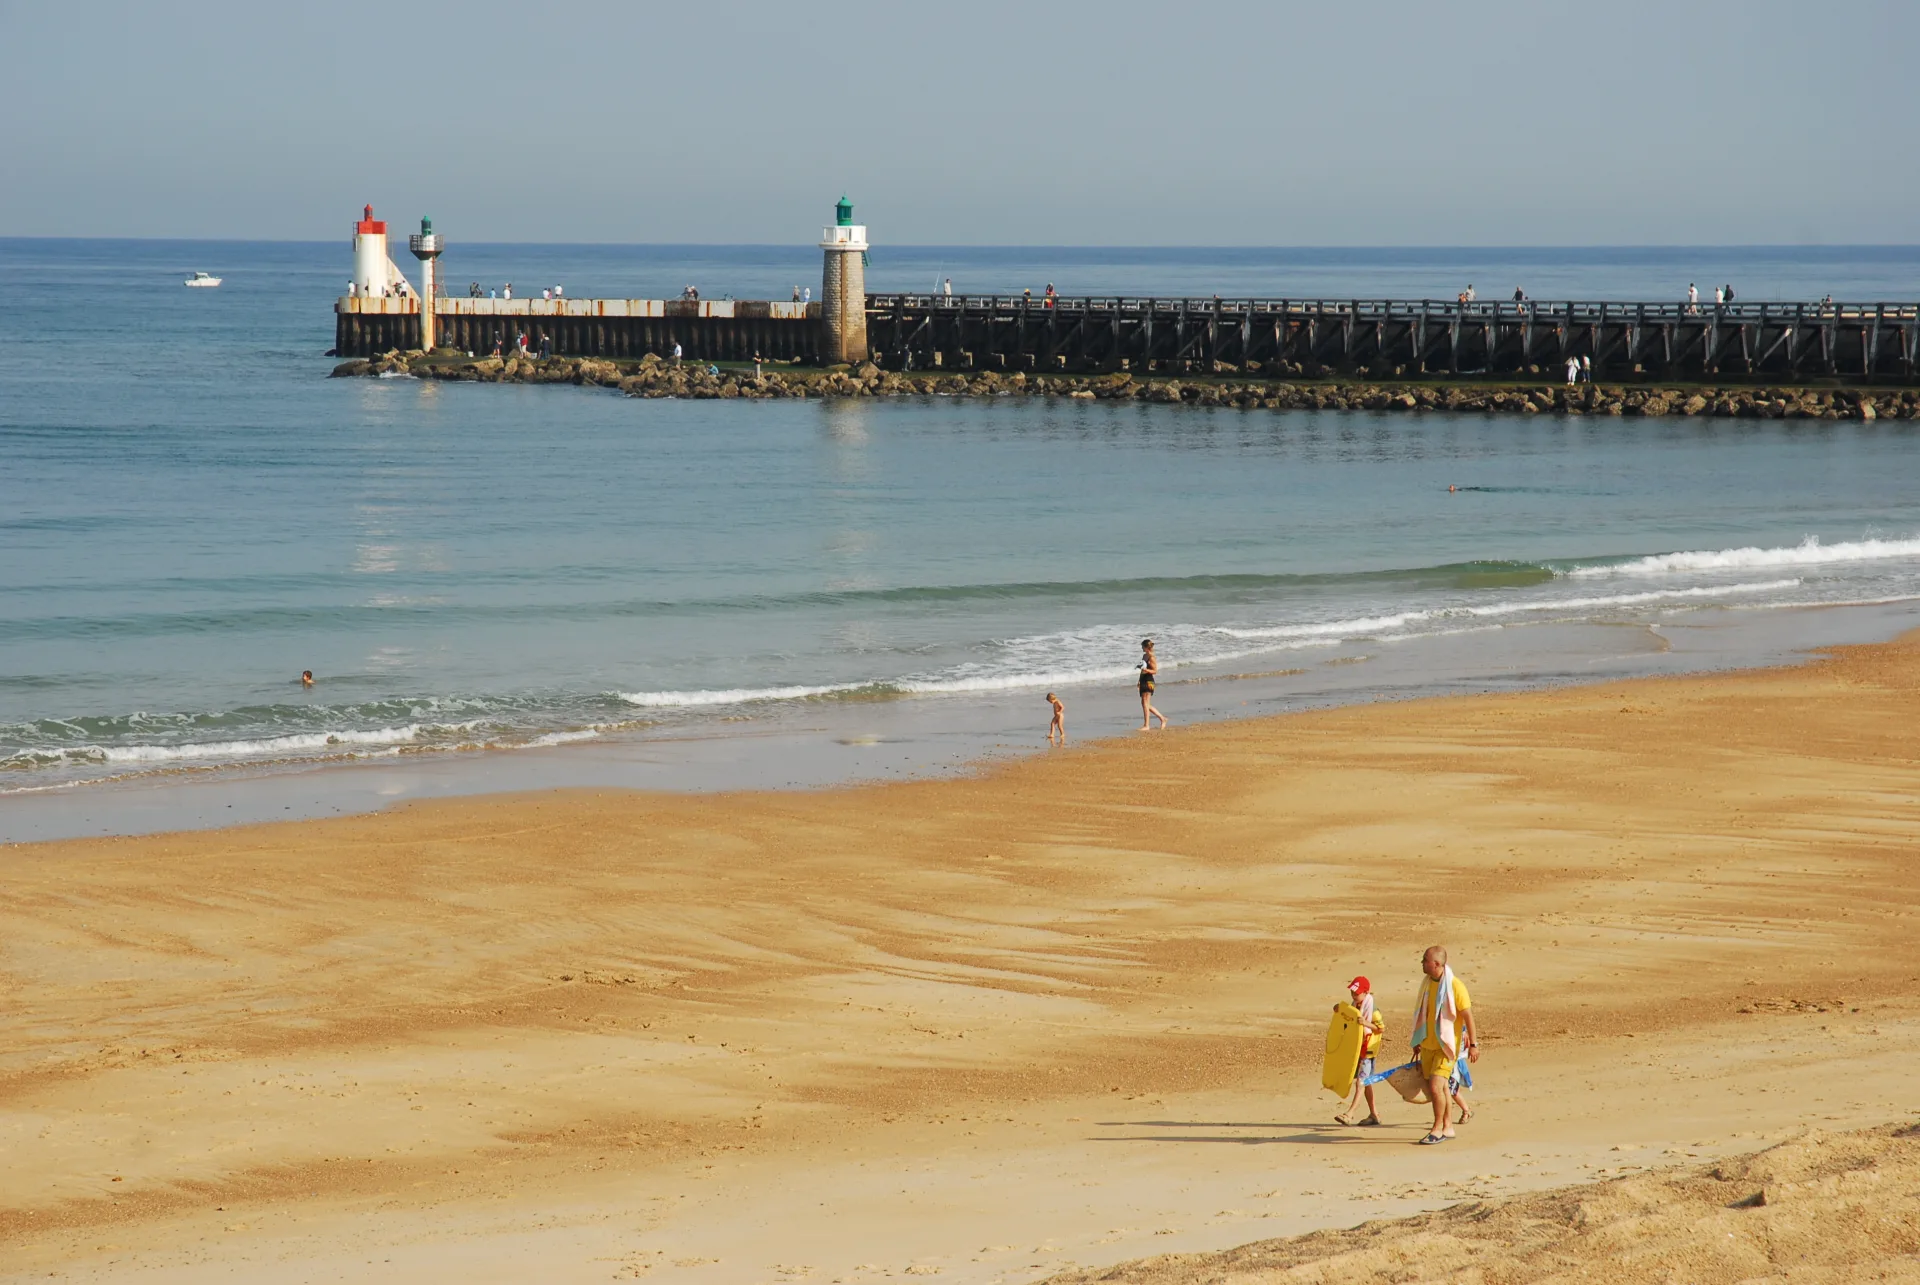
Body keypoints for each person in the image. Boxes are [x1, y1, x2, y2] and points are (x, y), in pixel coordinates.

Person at [1410, 945, 1478, 1144]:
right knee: (1443, 1090)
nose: (1422, 963)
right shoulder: (1427, 984)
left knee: (1436, 1087)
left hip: (1447, 1047)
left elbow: (1468, 1016)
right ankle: (1448, 1127)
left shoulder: (1455, 986)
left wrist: (1473, 1044)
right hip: (1428, 1045)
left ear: (1437, 964)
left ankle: (1437, 1128)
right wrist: (1418, 1041)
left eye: (1425, 960)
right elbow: (1424, 1015)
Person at [1334, 976, 1385, 1127]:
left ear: (1366, 992)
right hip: (1357, 1050)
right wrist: (1339, 1009)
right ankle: (1374, 1114)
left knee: (1361, 1082)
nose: (1354, 996)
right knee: (1366, 1083)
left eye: (1356, 993)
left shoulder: (1373, 1010)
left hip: (1367, 1052)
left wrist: (1366, 1023)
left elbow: (1381, 1028)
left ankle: (1349, 1114)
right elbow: (1347, 1019)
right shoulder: (1355, 1007)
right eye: (1352, 993)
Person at [1137, 639, 1168, 731]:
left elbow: (1155, 671)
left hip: (1149, 681)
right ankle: (1162, 718)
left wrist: (1146, 670)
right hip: (1143, 680)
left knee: (1145, 703)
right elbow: (1142, 669)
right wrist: (1139, 680)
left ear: (1147, 647)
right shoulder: (1144, 656)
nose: (1141, 648)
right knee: (1144, 703)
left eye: (1143, 646)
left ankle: (1147, 725)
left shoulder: (1152, 658)